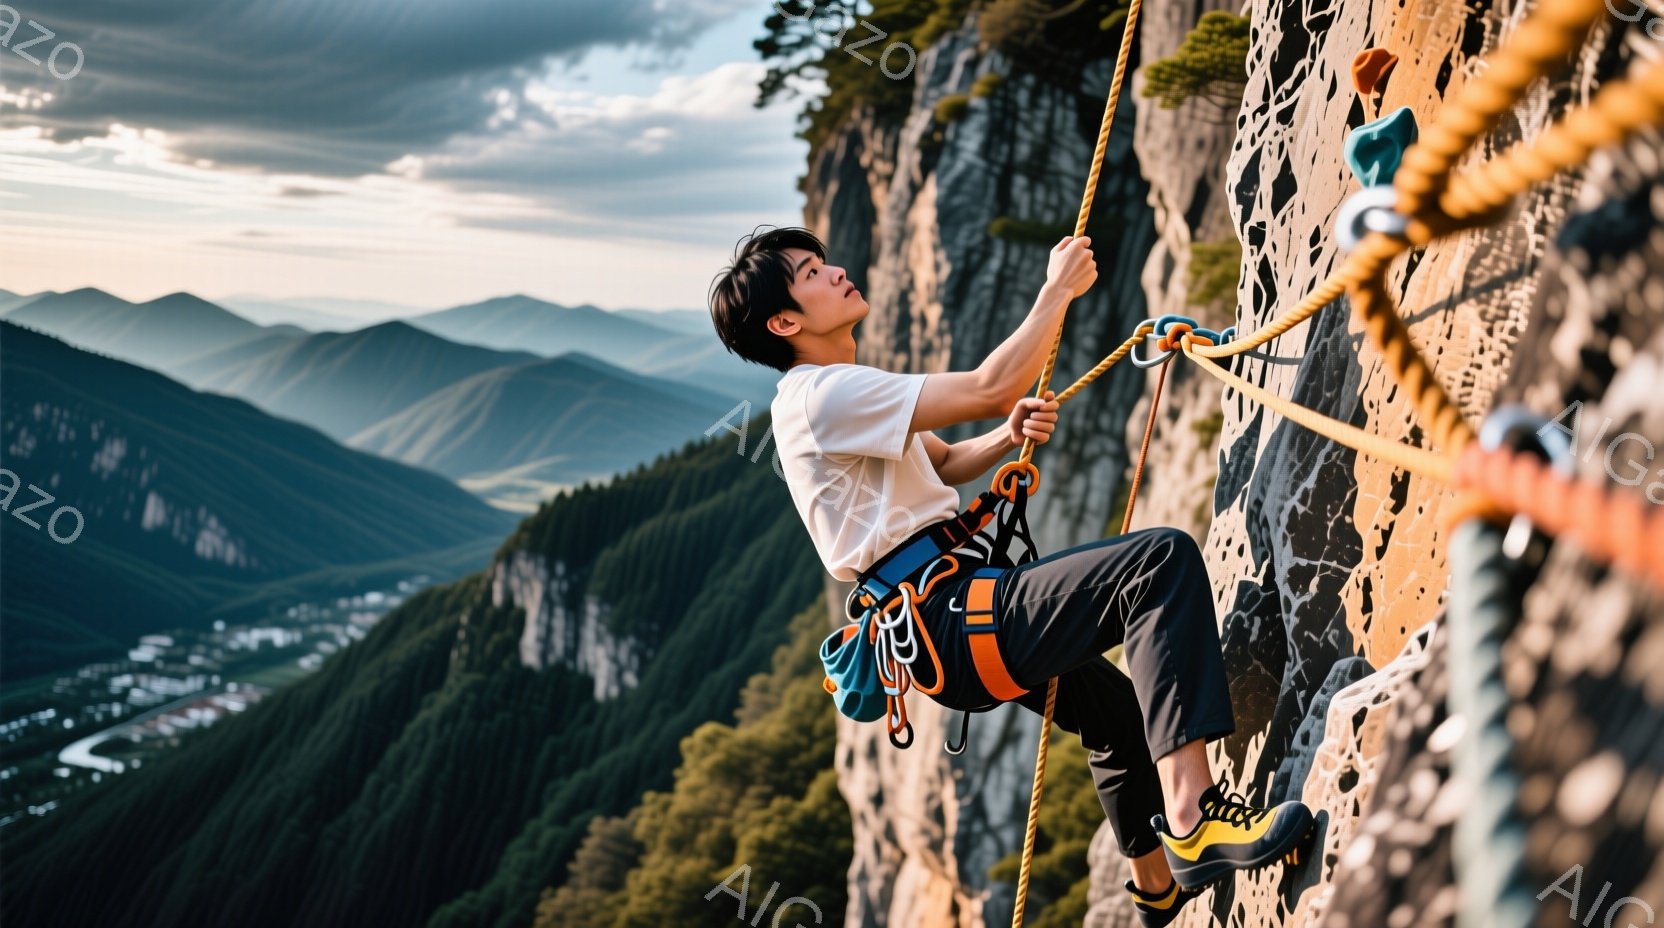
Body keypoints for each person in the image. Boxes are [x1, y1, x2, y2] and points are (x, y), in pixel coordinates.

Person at [707, 226, 1314, 926]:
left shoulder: (832, 394)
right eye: (814, 271)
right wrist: (1055, 292)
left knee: (1116, 716)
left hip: (947, 626)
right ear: (785, 322)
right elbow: (991, 386)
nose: (839, 270)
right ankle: (1195, 817)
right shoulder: (820, 395)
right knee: (1157, 563)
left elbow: (940, 463)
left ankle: (1155, 891)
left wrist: (1005, 438)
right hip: (954, 615)